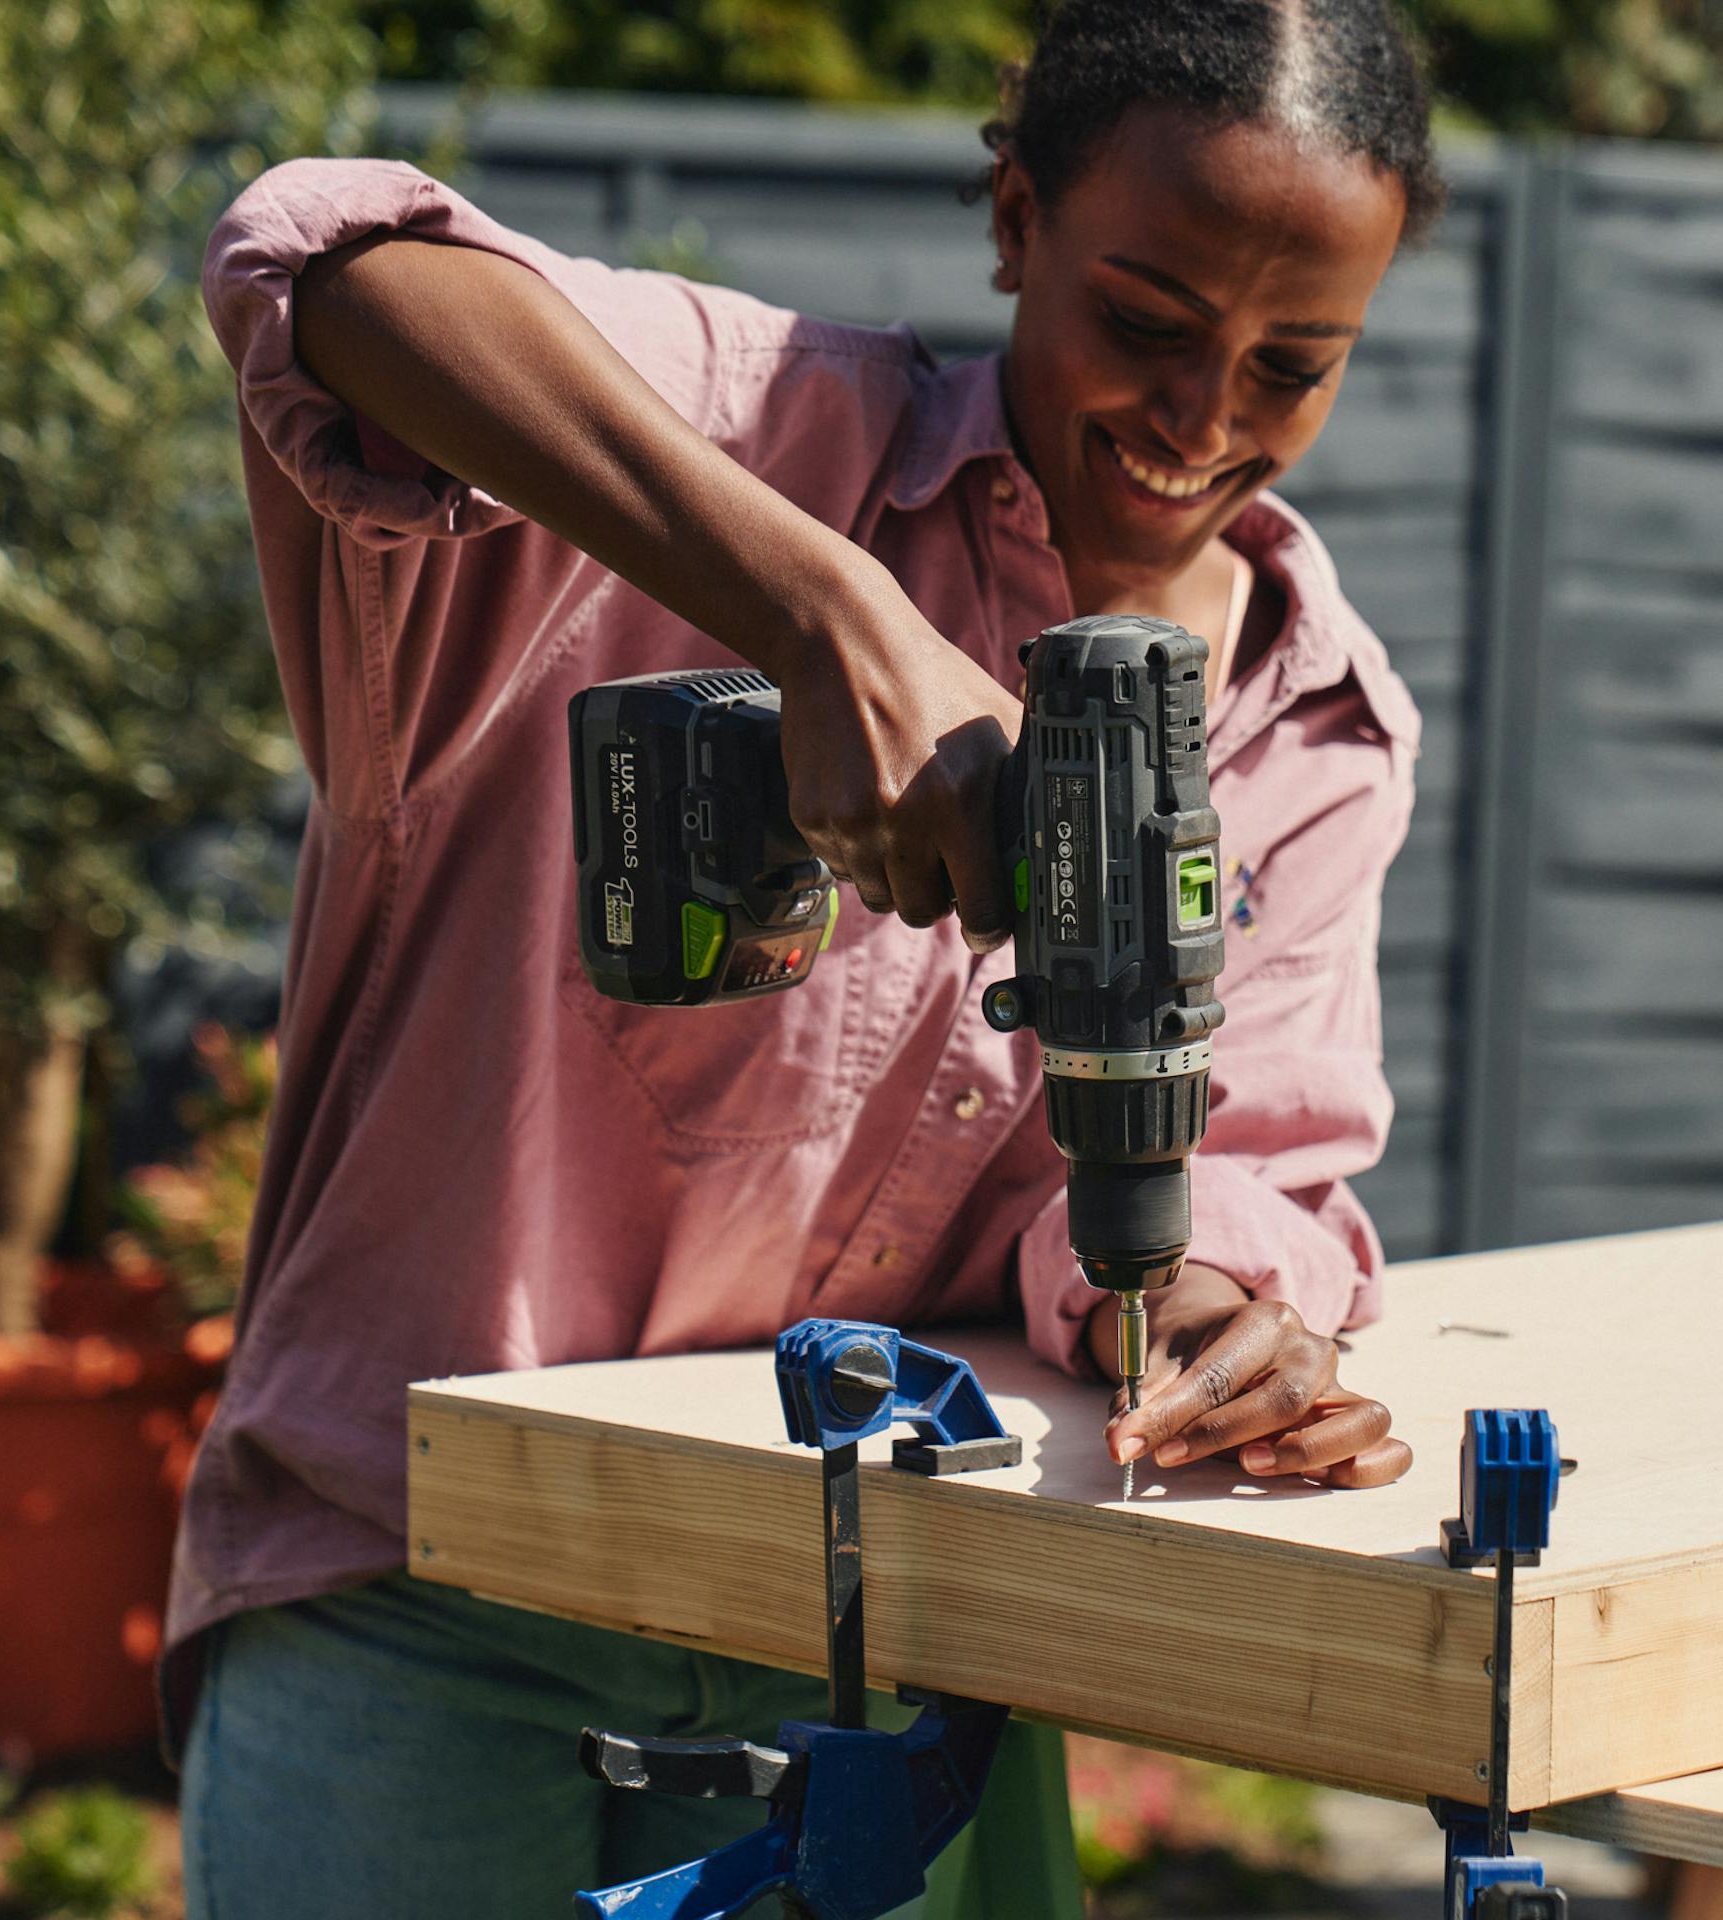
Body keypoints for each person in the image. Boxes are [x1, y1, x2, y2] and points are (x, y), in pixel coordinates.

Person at [171, 1, 1444, 1913]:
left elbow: (1241, 1155)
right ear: (1015, 219)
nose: (1203, 420)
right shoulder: (758, 427)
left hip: (847, 1638)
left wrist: (1198, 1307)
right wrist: (812, 604)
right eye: (1148, 322)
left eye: (1294, 365)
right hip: (420, 1598)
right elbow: (320, 261)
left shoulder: (1315, 724)